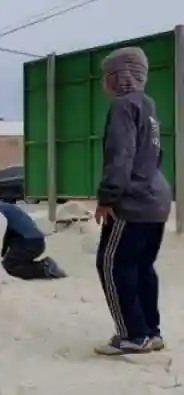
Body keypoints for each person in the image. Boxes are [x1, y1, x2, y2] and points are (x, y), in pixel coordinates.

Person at [91, 47, 171, 356]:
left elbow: (120, 156)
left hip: (133, 201)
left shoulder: (123, 106)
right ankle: (151, 331)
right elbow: (155, 154)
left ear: (118, 77)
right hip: (157, 198)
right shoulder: (148, 104)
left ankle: (132, 335)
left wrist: (107, 197)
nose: (103, 83)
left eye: (105, 76)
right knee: (142, 266)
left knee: (112, 264)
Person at [0, 188, 66, 280]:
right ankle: (45, 265)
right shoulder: (7, 206)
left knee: (10, 267)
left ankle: (44, 268)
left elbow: (3, 233)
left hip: (27, 242)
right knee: (14, 263)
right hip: (35, 241)